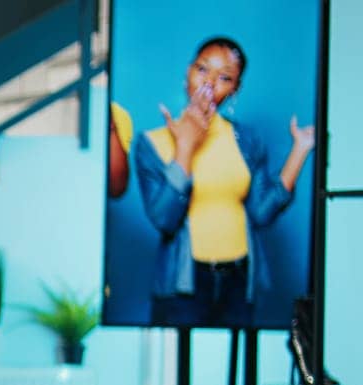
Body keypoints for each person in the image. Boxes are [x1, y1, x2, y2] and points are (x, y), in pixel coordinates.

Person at [133, 36, 315, 326]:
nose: (209, 83)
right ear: (187, 73)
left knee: (236, 370)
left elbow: (261, 213)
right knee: (181, 369)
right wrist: (186, 145)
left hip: (239, 282)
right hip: (185, 286)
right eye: (202, 70)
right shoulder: (150, 143)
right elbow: (164, 219)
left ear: (235, 89)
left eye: (224, 77)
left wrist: (301, 149)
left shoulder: (247, 139)